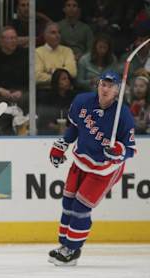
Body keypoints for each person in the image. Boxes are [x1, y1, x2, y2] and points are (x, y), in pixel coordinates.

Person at [48, 70, 136, 266]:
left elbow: (130, 150)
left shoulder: (123, 115)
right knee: (68, 204)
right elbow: (74, 128)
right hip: (80, 161)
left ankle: (73, 249)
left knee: (81, 208)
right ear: (98, 85)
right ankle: (64, 245)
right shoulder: (82, 101)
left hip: (104, 169)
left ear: (117, 91)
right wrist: (62, 145)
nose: (105, 89)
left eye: (110, 86)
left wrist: (118, 150)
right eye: (103, 84)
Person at [36, 22, 76, 90]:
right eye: (53, 33)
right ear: (45, 35)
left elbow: (72, 72)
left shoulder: (67, 51)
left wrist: (52, 72)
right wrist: (61, 77)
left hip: (66, 90)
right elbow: (37, 77)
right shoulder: (37, 52)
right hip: (46, 90)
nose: (57, 35)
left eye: (59, 32)